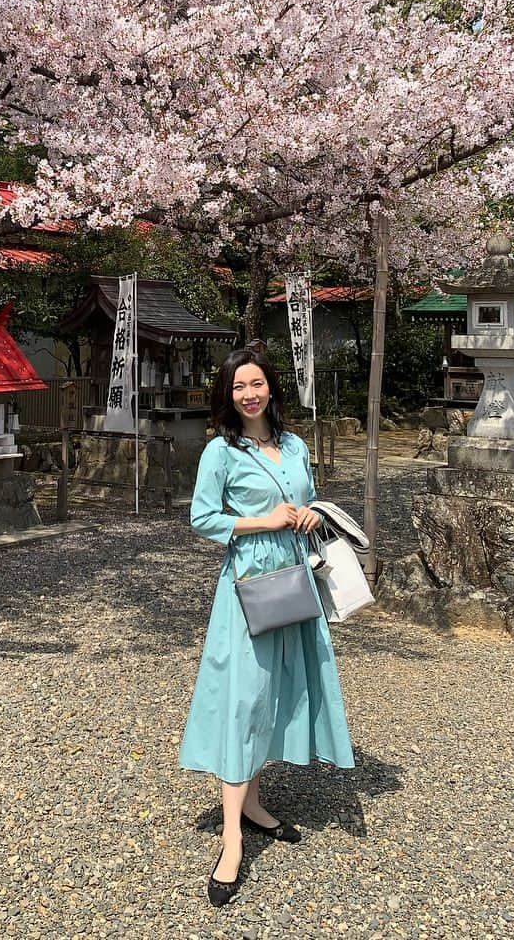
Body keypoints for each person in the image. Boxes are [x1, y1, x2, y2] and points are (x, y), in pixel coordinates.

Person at [179, 347, 354, 906]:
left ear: (271, 389)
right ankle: (231, 840)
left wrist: (308, 515)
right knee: (242, 702)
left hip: (295, 585)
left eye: (256, 384)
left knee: (276, 695)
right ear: (227, 397)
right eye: (238, 387)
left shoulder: (297, 445)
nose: (249, 394)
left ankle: (253, 805)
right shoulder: (219, 452)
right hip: (249, 591)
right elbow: (202, 518)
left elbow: (303, 502)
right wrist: (265, 521)